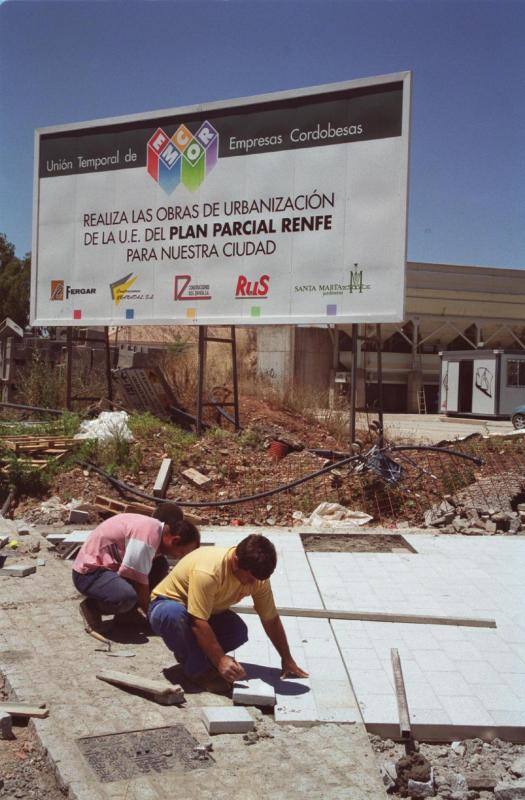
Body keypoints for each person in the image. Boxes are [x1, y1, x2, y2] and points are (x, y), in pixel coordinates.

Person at [148, 533, 308, 692]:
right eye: (251, 578)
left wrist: (286, 658)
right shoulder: (209, 572)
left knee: (237, 631)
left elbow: (270, 619)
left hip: (204, 611)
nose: (254, 583)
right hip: (166, 605)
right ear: (236, 562)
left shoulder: (258, 578)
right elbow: (197, 621)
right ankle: (197, 670)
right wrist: (220, 660)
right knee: (174, 615)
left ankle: (193, 656)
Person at [72, 504, 200, 633]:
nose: (180, 557)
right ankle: (92, 607)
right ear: (175, 540)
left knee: (160, 565)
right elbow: (140, 585)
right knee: (127, 597)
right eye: (182, 552)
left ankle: (127, 615)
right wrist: (154, 619)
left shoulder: (156, 530)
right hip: (89, 573)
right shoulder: (147, 538)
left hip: (111, 568)